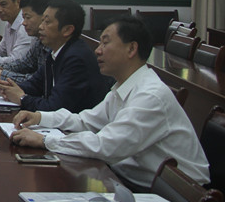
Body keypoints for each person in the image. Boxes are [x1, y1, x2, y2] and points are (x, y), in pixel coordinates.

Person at [11, 16, 210, 189]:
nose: (98, 51)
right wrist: (40, 117)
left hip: (177, 195)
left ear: (131, 48)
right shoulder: (123, 87)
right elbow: (86, 121)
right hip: (134, 181)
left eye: (105, 43)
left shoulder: (150, 96)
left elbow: (105, 146)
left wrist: (45, 140)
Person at [0, 0, 112, 113]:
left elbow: (55, 107)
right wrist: (11, 89)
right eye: (42, 21)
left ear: (67, 30)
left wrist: (22, 98)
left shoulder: (76, 59)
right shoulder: (56, 51)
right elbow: (36, 84)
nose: (41, 27)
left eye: (47, 22)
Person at [0, 0, 52, 83]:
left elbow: (41, 82)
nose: (24, 23)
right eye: (23, 18)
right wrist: (0, 67)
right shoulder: (39, 42)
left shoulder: (55, 46)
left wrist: (2, 74)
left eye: (28, 17)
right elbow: (24, 64)